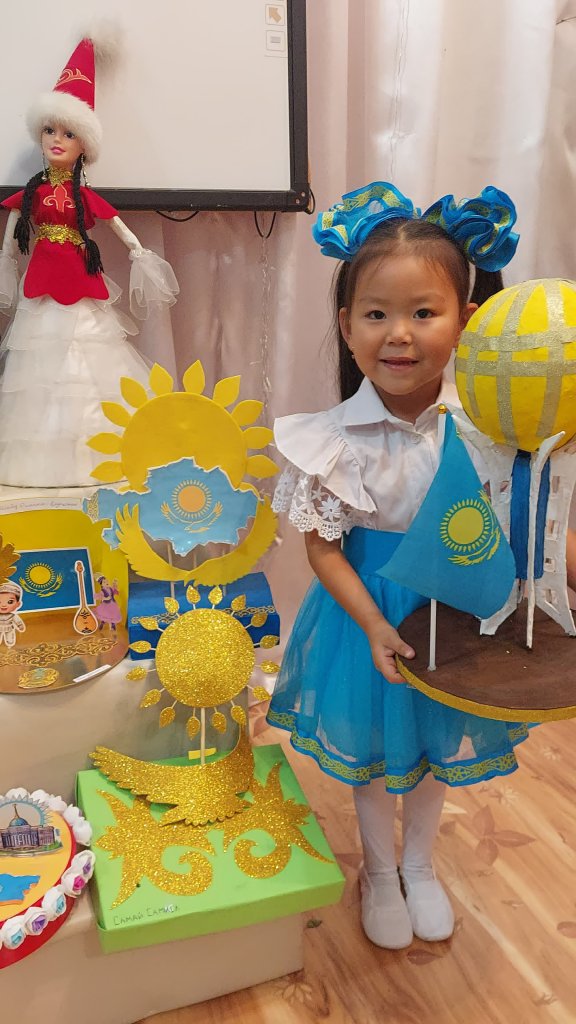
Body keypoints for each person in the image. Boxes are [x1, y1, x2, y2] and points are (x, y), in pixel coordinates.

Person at [267, 181, 529, 950]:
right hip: (368, 618)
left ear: (465, 321)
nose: (399, 335)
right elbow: (323, 546)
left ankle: (420, 864)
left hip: (452, 609)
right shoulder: (332, 440)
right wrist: (374, 623)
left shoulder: (483, 430)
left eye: (423, 312)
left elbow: (520, 522)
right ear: (346, 325)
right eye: (377, 314)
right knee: (375, 756)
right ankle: (380, 872)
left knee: (436, 746)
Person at [0, 36, 178, 488]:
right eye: (50, 131)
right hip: (42, 279)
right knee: (38, 368)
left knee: (88, 357)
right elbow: (12, 234)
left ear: (85, 146)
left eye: (69, 133)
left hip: (78, 278)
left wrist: (140, 254)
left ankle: (94, 460)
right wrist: (5, 262)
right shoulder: (34, 192)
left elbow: (117, 226)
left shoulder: (83, 196)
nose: (57, 141)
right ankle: (39, 465)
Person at [0, 581, 25, 648]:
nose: (3, 605)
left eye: (10, 602)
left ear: (18, 604)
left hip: (9, 628)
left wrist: (20, 626)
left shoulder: (12, 615)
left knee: (10, 637)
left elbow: (18, 621)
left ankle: (10, 642)